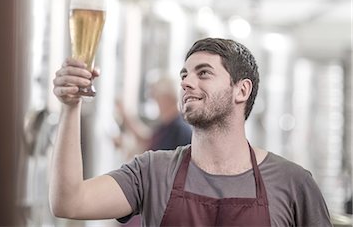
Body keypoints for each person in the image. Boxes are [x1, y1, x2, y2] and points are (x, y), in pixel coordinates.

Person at [50, 37, 332, 226]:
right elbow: (69, 202)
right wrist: (69, 107)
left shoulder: (292, 183)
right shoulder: (152, 172)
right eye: (184, 75)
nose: (186, 82)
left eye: (204, 73)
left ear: (241, 90)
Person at [114, 75, 192, 157]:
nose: (156, 102)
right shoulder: (168, 125)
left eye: (157, 97)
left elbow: (149, 145)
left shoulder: (179, 129)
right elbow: (147, 141)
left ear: (166, 98)